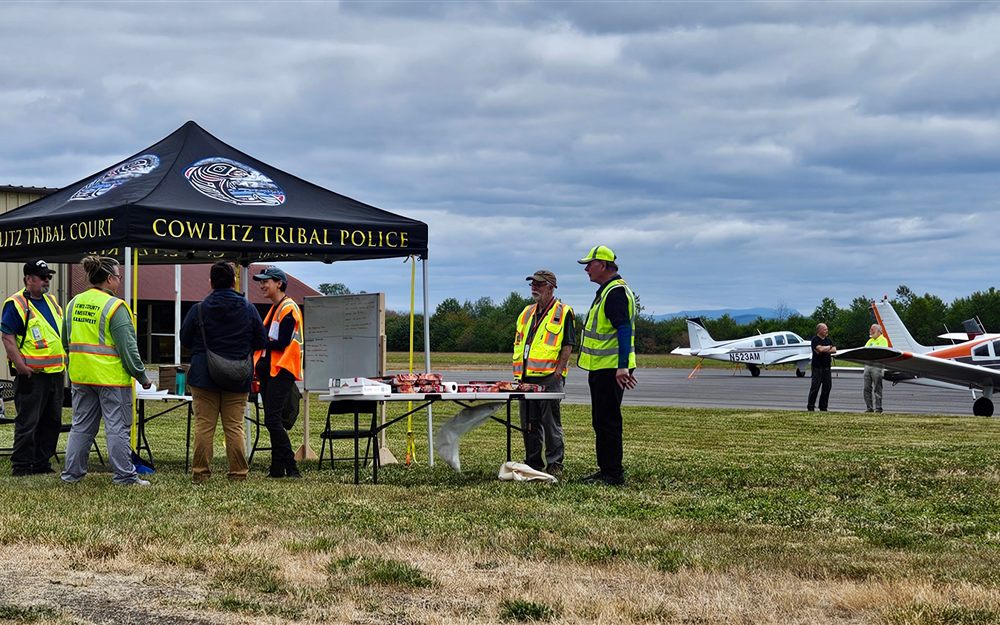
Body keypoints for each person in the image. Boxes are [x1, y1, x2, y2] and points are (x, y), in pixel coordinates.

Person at [61, 256, 152, 485]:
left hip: (81, 377)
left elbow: (65, 341)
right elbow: (128, 348)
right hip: (111, 379)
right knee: (117, 428)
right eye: (119, 276)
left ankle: (72, 475)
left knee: (81, 427)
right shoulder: (115, 307)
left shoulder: (73, 303)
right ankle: (125, 476)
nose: (119, 281)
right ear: (110, 279)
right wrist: (141, 376)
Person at [180, 262, 265, 483]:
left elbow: (185, 339)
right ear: (234, 281)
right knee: (235, 427)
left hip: (203, 375)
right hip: (237, 376)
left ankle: (201, 473)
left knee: (204, 425)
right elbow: (261, 340)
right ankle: (238, 473)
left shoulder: (198, 309)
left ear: (211, 282)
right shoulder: (248, 308)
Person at [576, 245, 636, 486]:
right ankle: (607, 470)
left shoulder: (615, 292)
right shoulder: (607, 290)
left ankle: (612, 473)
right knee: (601, 420)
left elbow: (623, 328)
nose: (587, 269)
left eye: (589, 264)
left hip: (611, 368)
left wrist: (622, 367)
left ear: (602, 265)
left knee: (607, 420)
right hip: (603, 367)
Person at [1, 259, 66, 476]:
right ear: (29, 279)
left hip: (55, 373)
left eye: (49, 276)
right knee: (28, 421)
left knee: (52, 421)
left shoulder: (51, 302)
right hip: (32, 375)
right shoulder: (17, 304)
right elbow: (7, 337)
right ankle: (21, 465)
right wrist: (20, 366)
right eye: (43, 277)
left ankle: (41, 463)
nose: (47, 281)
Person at [512, 269, 575, 480]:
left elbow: (568, 343)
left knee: (550, 423)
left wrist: (559, 370)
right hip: (526, 376)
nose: (534, 288)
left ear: (551, 287)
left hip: (549, 377)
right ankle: (532, 463)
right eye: (532, 284)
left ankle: (555, 463)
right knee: (529, 423)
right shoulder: (527, 312)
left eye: (539, 284)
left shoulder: (563, 312)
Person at [252, 266, 303, 478]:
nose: (262, 285)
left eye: (266, 281)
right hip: (271, 371)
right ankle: (277, 469)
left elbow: (281, 343)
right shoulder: (276, 308)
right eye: (261, 282)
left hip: (282, 369)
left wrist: (257, 339)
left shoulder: (288, 308)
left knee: (272, 420)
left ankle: (291, 467)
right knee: (274, 420)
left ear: (279, 283)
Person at [806, 322, 836, 412]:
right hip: (817, 367)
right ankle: (810, 406)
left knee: (827, 387)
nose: (826, 331)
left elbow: (834, 350)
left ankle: (823, 406)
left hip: (827, 367)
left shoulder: (828, 340)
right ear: (819, 330)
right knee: (815, 387)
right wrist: (828, 348)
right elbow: (819, 349)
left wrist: (825, 349)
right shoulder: (815, 340)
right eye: (824, 329)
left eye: (827, 329)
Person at [863, 323, 888, 413]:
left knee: (877, 387)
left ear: (878, 331)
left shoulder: (883, 340)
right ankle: (869, 407)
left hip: (877, 366)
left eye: (872, 330)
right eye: (870, 329)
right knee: (866, 388)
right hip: (867, 365)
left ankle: (878, 408)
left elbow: (881, 352)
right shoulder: (869, 341)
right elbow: (864, 351)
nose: (870, 331)